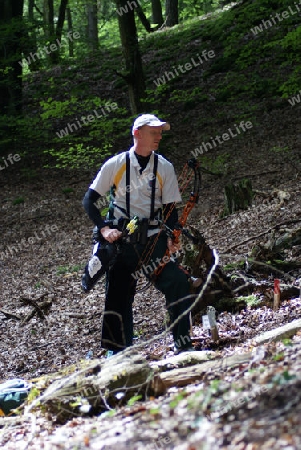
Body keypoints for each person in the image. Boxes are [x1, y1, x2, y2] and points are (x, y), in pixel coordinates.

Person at [82, 114, 194, 355]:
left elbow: (171, 209)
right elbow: (89, 200)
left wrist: (172, 235)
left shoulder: (164, 166)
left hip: (152, 240)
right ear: (137, 134)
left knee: (177, 282)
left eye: (160, 132)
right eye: (154, 132)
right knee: (118, 295)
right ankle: (119, 354)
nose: (159, 136)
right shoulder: (116, 164)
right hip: (122, 242)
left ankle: (184, 346)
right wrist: (104, 228)